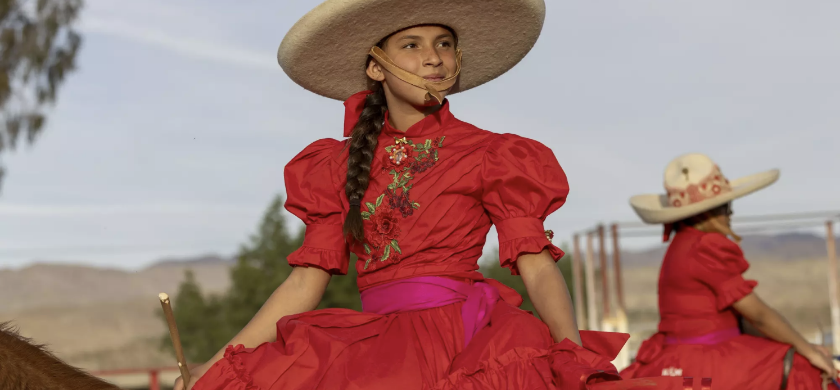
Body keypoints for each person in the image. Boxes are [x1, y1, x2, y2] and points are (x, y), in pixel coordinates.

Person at [175, 1, 696, 389]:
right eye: (413, 44)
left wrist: (574, 353)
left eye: (444, 43)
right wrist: (215, 365)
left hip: (466, 341)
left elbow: (535, 265)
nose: (434, 58)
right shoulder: (333, 166)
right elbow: (303, 284)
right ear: (376, 66)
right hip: (367, 350)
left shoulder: (493, 154)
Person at [620, 153, 838, 389]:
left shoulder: (681, 246)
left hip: (677, 357)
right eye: (725, 207)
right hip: (706, 362)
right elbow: (758, 315)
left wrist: (801, 344)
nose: (730, 213)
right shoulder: (704, 247)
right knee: (806, 372)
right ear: (707, 212)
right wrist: (809, 351)